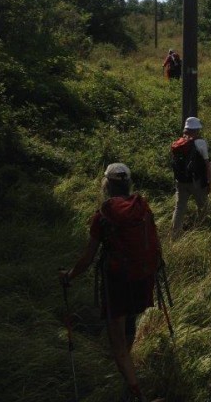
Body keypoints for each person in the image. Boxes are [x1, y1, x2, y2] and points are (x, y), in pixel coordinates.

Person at [59, 163, 162, 402]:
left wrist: (69, 276)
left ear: (106, 184)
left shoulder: (103, 216)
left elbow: (87, 258)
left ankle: (136, 393)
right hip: (143, 277)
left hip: (117, 282)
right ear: (128, 184)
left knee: (116, 340)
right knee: (130, 324)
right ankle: (128, 365)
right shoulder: (143, 208)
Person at [171, 117, 211, 239]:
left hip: (180, 181)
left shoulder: (178, 143)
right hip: (196, 182)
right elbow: (207, 164)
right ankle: (200, 229)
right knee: (203, 206)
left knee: (179, 207)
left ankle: (175, 234)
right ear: (197, 129)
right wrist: (209, 182)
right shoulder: (200, 142)